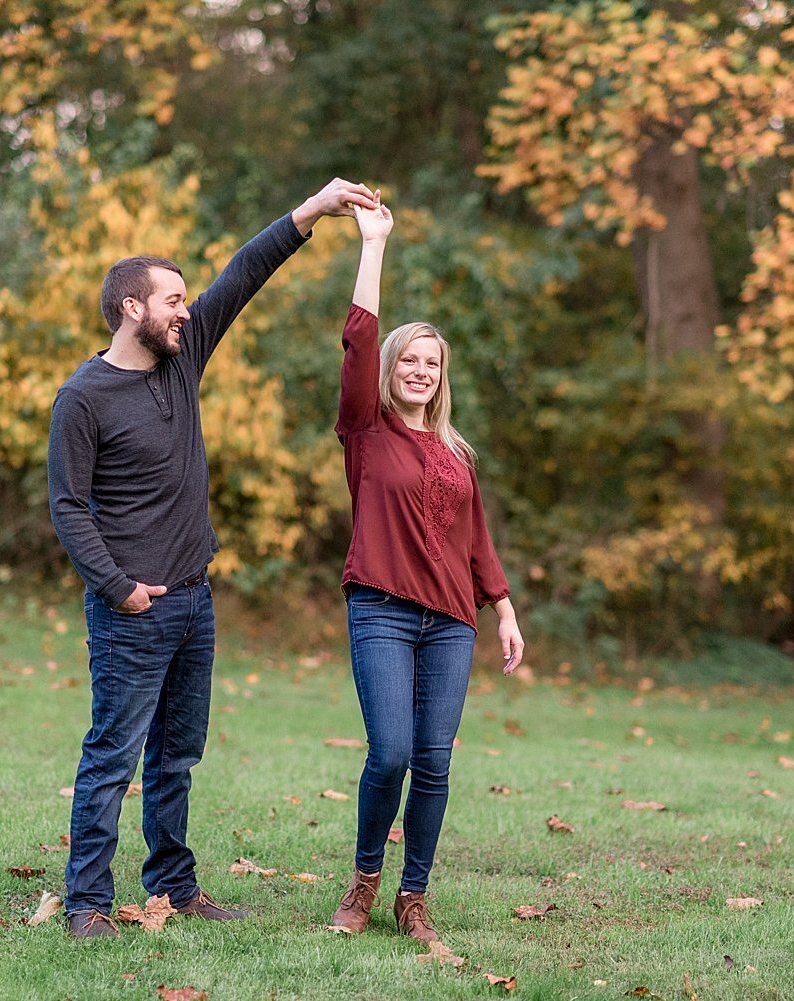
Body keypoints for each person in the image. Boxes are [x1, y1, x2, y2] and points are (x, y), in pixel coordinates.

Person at [48, 178, 380, 940]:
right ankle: (87, 903)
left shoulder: (182, 357)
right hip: (133, 608)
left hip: (196, 600)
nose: (187, 309)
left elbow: (243, 274)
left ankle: (172, 885)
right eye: (172, 299)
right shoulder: (84, 397)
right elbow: (68, 507)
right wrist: (120, 588)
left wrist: (312, 210)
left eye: (186, 299)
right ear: (132, 306)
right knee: (112, 756)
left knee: (177, 756)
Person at [327, 196, 525, 943]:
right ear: (392, 368)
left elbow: (475, 539)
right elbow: (358, 340)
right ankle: (364, 880)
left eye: (430, 362)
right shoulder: (365, 430)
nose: (417, 369)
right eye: (408, 359)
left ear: (443, 376)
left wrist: (502, 608)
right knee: (392, 752)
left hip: (450, 621)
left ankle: (414, 898)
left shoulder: (455, 454)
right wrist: (373, 244)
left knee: (435, 762)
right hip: (379, 606)